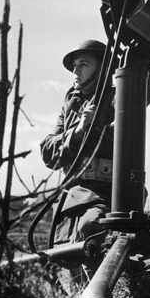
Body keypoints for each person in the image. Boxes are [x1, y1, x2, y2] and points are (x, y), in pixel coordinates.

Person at [40, 39, 113, 251]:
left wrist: (96, 127)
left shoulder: (117, 98)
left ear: (103, 69)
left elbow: (124, 130)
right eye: (74, 66)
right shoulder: (71, 106)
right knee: (63, 251)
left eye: (83, 64)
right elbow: (48, 152)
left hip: (105, 196)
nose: (75, 71)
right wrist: (79, 131)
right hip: (71, 198)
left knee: (90, 230)